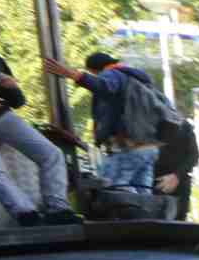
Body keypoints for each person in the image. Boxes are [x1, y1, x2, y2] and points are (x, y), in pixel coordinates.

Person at [0, 9, 79, 226]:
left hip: (0, 115)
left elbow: (18, 101)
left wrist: (10, 88)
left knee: (52, 153)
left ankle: (58, 208)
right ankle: (24, 212)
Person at [40, 51, 181, 194]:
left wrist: (75, 75)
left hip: (128, 148)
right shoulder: (137, 80)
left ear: (94, 70)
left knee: (113, 190)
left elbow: (105, 86)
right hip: (149, 149)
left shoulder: (112, 74)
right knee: (143, 194)